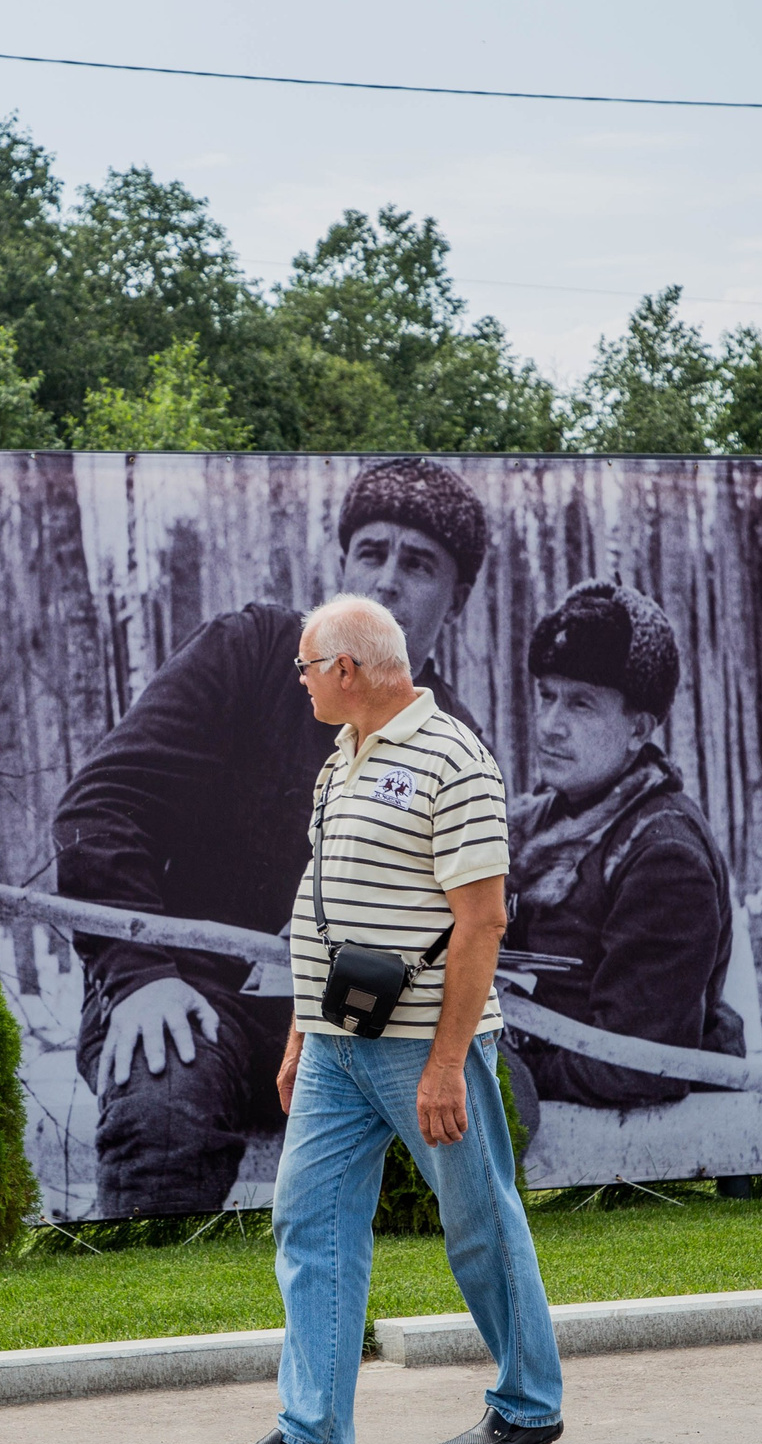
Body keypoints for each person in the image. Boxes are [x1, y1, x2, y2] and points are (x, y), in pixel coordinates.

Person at [53, 458, 490, 1219]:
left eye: (418, 564)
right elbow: (102, 806)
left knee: (467, 1114)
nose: (387, 579)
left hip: (345, 1016)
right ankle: (161, 1322)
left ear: (458, 598)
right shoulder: (250, 652)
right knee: (164, 1092)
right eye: (371, 551)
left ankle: (349, 1329)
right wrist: (137, 974)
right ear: (341, 565)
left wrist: (344, 1007)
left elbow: (452, 922)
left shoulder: (453, 742)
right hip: (184, 990)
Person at [207, 596, 561, 1444]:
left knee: (479, 1220)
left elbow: (482, 921)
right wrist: (299, 1030)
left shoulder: (456, 759)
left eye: (305, 665)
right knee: (309, 1221)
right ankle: (312, 1428)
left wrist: (447, 1062)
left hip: (424, 1047)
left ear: (347, 669)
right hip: (333, 1043)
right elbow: (320, 908)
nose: (299, 681)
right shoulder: (340, 760)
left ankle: (528, 1402)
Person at [506, 581, 743, 1118]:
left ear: (638, 728)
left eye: (581, 704)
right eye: (547, 696)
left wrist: (509, 1063)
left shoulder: (663, 856)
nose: (549, 725)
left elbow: (637, 1063)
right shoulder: (541, 818)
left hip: (625, 1135)